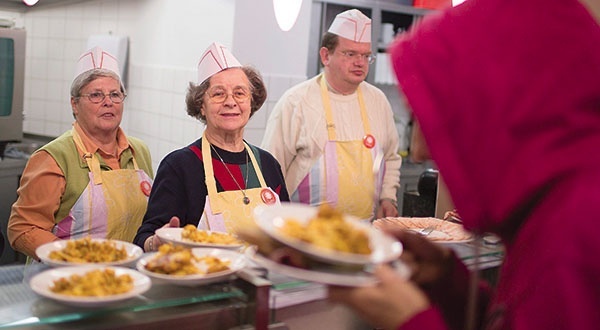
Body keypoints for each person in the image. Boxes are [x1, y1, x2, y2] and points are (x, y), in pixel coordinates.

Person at [328, 0, 600, 329]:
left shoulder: (576, 232)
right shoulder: (553, 212)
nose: (420, 154)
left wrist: (413, 321)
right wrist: (450, 285)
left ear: (495, 102)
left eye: (440, 116)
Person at [133, 42, 289, 252]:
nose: (230, 102)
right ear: (201, 105)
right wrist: (156, 241)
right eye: (218, 94)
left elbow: (287, 231)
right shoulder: (179, 166)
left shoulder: (268, 164)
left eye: (240, 93)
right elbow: (145, 236)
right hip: (203, 280)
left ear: (251, 102)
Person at [7, 47, 154, 260]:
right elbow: (22, 229)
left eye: (115, 94)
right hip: (68, 281)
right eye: (96, 95)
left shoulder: (138, 151)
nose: (108, 102)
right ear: (75, 104)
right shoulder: (53, 158)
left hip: (126, 280)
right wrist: (74, 258)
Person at [261, 9, 402, 221]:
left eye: (365, 55)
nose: (360, 63)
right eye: (350, 54)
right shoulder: (296, 101)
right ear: (326, 55)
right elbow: (269, 170)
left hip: (364, 232)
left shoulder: (378, 101)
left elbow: (390, 157)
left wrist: (388, 198)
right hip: (304, 232)